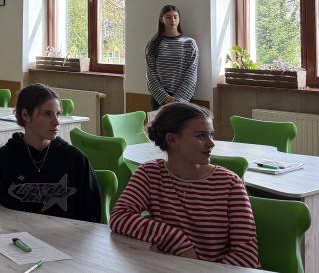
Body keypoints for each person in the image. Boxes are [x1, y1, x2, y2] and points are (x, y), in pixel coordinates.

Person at [110, 103, 259, 268]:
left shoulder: (230, 184)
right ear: (172, 139)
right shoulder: (149, 174)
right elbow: (119, 217)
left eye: (211, 135)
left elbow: (247, 256)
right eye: (201, 136)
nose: (211, 143)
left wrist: (199, 270)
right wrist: (177, 240)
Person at [0, 84, 101, 222]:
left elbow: (92, 215)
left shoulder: (75, 160)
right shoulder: (3, 159)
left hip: (67, 234)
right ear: (25, 115)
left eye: (58, 114)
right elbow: (1, 213)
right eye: (47, 114)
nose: (56, 122)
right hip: (18, 233)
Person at [145, 5, 199, 109]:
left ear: (179, 18)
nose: (173, 20)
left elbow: (191, 74)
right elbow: (150, 75)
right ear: (162, 19)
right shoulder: (153, 44)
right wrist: (165, 98)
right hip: (159, 100)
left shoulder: (189, 43)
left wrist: (178, 99)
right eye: (168, 17)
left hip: (183, 100)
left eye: (175, 17)